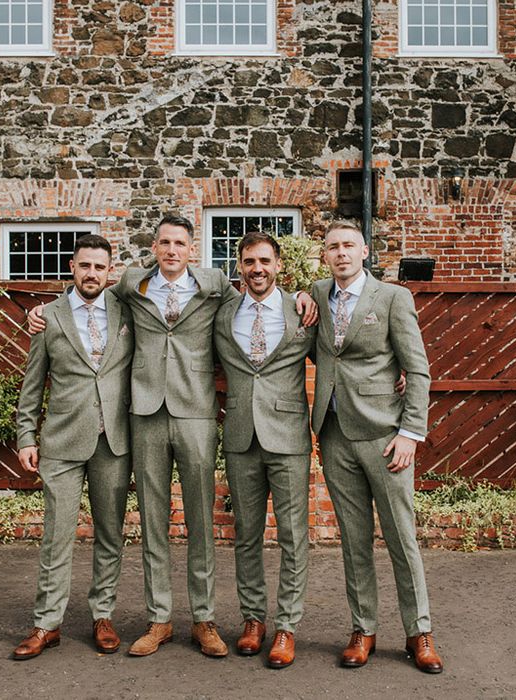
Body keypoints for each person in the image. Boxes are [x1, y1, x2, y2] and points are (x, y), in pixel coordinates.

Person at [28, 214, 317, 659]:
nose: (171, 250)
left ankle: (204, 620)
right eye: (164, 242)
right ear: (155, 247)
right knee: (153, 520)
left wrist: (301, 294)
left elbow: (262, 295)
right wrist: (41, 310)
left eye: (179, 243)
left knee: (200, 521)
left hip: (196, 413)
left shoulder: (216, 284)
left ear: (191, 248)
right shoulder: (130, 285)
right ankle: (159, 618)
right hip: (143, 413)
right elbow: (82, 300)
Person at [310, 220, 443, 673]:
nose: (341, 253)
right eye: (333, 247)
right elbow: (321, 348)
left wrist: (411, 433)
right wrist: (296, 299)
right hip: (333, 434)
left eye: (349, 245)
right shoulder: (316, 294)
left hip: (386, 437)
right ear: (324, 255)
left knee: (402, 538)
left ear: (364, 251)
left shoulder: (392, 298)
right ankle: (363, 629)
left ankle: (419, 632)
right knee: (354, 540)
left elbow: (418, 370)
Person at [13, 234, 134, 660]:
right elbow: (32, 383)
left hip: (114, 440)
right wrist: (26, 435)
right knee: (57, 535)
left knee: (109, 534)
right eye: (85, 266)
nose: (91, 274)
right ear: (71, 266)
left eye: (99, 267)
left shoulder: (127, 311)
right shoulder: (49, 317)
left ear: (109, 271)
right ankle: (47, 624)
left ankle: (103, 615)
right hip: (62, 442)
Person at [213, 232, 315, 669]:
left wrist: (398, 376)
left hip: (289, 436)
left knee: (293, 537)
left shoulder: (303, 312)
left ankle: (286, 626)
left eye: (265, 261)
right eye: (250, 261)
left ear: (278, 265)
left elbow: (341, 356)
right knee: (246, 536)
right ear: (239, 266)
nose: (257, 269)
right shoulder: (222, 315)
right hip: (239, 435)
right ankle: (253, 619)